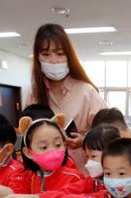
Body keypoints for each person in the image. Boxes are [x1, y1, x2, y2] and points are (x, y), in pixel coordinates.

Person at [26, 23, 107, 174]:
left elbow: (107, 131)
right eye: (46, 54)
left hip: (82, 172)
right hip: (48, 173)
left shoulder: (86, 92)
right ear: (37, 57)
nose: (54, 60)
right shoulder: (34, 95)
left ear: (69, 56)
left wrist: (84, 141)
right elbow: (28, 135)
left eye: (60, 53)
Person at [0, 115, 83, 198]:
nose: (53, 151)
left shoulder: (74, 177)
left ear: (65, 146)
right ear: (28, 152)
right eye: (44, 147)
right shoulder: (25, 176)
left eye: (58, 145)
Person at [57, 125, 123, 198]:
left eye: (93, 156)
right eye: (87, 157)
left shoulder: (128, 185)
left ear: (113, 154)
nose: (89, 162)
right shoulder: (91, 182)